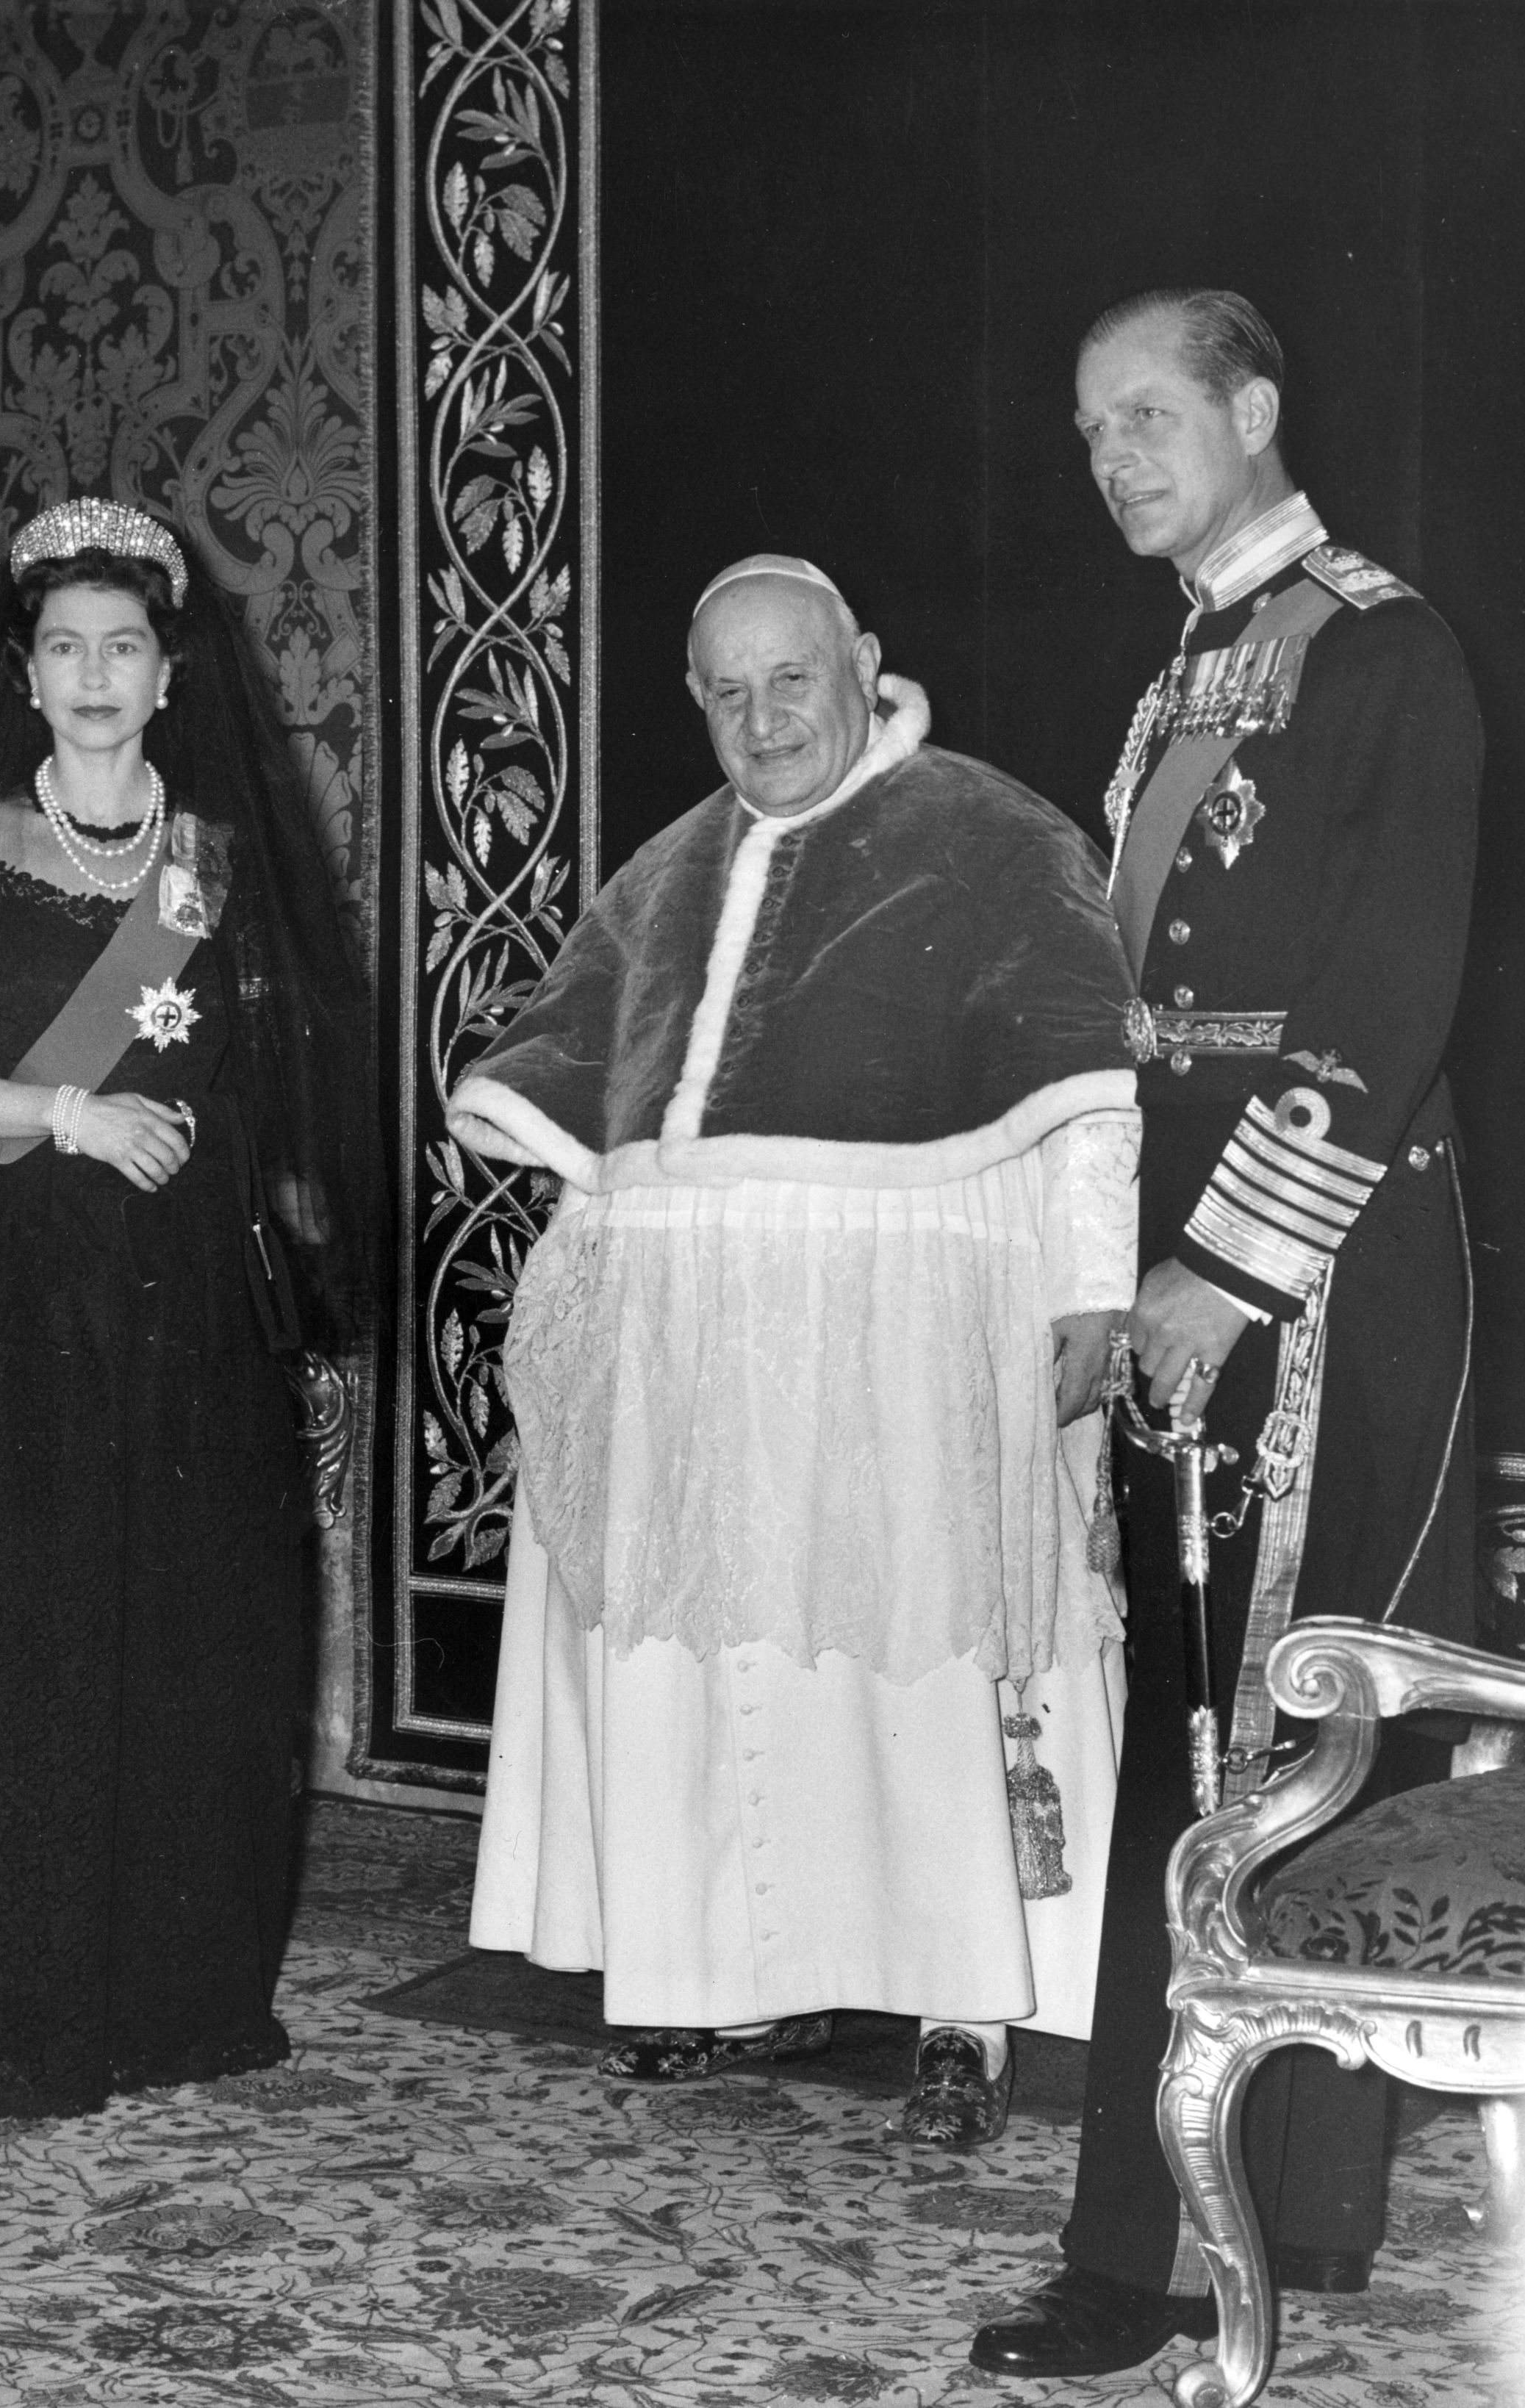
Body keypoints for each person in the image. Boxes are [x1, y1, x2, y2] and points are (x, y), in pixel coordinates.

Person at [452, 556, 1139, 2146]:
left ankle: (966, 2003)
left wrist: (1091, 1299)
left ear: (863, 662)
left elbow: (1088, 1100)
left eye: (790, 681)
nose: (761, 719)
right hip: (696, 1359)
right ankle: (733, 1972)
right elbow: (592, 1112)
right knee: (719, 1664)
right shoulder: (670, 866)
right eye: (725, 692)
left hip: (908, 1341)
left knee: (914, 1661)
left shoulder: (991, 833)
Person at [973, 290, 1481, 2378]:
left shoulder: (1385, 650)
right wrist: (1109, 1264)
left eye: (1151, 413)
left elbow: (1385, 1007)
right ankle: (1191, 2216)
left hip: (1331, 1274)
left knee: (1278, 1749)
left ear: (1255, 411)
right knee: (1192, 1740)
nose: (1112, 454)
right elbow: (1132, 1007)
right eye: (1091, 425)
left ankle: (1209, 2242)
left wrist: (1226, 1264)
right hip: (1187, 1256)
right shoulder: (1184, 665)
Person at [0, 499, 378, 2121]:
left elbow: (270, 1066)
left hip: (183, 1298)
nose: (94, 673)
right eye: (63, 646)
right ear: (26, 669)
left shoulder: (214, 865)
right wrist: (70, 1118)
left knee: (184, 1641)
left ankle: (172, 2007)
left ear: (168, 671)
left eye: (121, 645)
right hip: (10, 1303)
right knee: (22, 1647)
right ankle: (15, 2027)